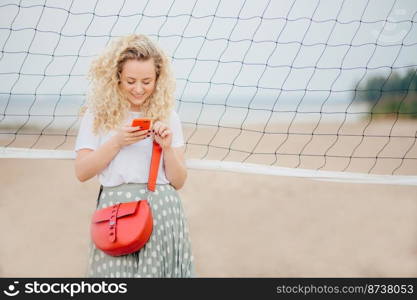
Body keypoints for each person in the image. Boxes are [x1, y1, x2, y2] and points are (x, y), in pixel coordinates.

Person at [74, 34, 195, 278]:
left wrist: (167, 147)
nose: (138, 89)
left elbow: (179, 181)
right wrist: (116, 142)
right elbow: (82, 172)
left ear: (158, 80)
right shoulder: (98, 115)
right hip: (115, 216)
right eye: (130, 81)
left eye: (147, 81)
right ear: (117, 76)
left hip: (163, 212)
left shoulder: (168, 116)